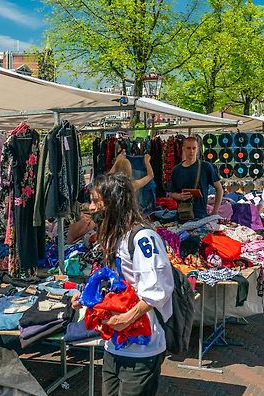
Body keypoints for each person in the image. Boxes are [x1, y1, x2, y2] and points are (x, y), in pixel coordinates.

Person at [72, 173, 173, 396]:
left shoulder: (143, 238)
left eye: (95, 201)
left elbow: (158, 289)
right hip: (114, 344)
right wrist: (86, 296)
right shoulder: (113, 236)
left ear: (112, 202)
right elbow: (114, 282)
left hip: (142, 348)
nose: (91, 207)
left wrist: (127, 318)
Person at [168, 136, 223, 219]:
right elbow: (172, 193)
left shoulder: (206, 167)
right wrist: (180, 196)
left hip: (201, 216)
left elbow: (219, 189)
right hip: (182, 215)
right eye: (189, 148)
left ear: (197, 149)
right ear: (183, 149)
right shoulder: (176, 170)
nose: (191, 151)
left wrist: (215, 212)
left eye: (194, 148)